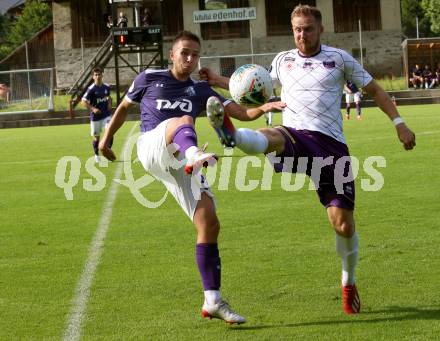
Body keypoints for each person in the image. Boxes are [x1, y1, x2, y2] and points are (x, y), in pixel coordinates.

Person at [200, 5, 416, 315]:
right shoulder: (283, 60)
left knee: (342, 224)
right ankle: (233, 136)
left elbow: (376, 91)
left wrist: (399, 124)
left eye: (308, 29)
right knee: (273, 135)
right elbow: (255, 85)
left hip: (330, 148)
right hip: (295, 136)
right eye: (298, 29)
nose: (302, 34)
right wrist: (218, 80)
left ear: (320, 29)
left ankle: (349, 281)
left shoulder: (339, 59)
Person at [98, 31, 284, 324]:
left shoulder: (202, 91)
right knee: (182, 120)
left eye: (195, 54)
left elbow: (242, 114)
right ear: (172, 54)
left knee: (209, 221)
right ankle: (195, 153)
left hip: (181, 158)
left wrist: (264, 106)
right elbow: (123, 108)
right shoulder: (149, 78)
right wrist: (105, 140)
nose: (189, 58)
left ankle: (213, 301)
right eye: (184, 52)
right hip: (151, 147)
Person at [82, 67, 113, 163]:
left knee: (110, 131)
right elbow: (83, 101)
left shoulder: (106, 87)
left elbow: (109, 97)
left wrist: (109, 103)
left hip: (106, 115)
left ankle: (107, 151)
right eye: (96, 75)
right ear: (93, 77)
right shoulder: (91, 89)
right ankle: (96, 155)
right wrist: (93, 108)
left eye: (99, 74)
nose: (98, 76)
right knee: (97, 137)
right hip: (95, 118)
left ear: (102, 75)